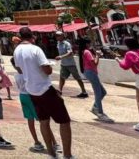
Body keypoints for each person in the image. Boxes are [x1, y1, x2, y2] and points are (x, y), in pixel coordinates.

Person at [14, 27, 72, 159]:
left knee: (43, 121)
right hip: (44, 88)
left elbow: (19, 68)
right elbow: (47, 70)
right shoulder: (35, 49)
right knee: (64, 121)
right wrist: (48, 66)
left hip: (31, 90)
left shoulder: (17, 50)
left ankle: (51, 153)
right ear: (32, 36)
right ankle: (67, 155)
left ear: (20, 36)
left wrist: (30, 70)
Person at [11, 57, 46, 153]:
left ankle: (36, 142)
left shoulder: (16, 75)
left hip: (22, 96)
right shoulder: (27, 74)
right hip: (31, 96)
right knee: (43, 120)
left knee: (30, 120)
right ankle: (53, 143)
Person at [78, 38, 113, 123]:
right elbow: (94, 63)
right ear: (87, 44)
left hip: (89, 72)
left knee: (103, 92)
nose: (90, 45)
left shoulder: (84, 52)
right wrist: (98, 55)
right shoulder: (87, 52)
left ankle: (95, 107)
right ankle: (100, 113)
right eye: (89, 43)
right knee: (98, 93)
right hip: (91, 72)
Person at [55, 31, 87, 98]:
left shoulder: (67, 44)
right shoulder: (58, 44)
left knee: (77, 78)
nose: (57, 37)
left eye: (58, 35)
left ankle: (84, 91)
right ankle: (60, 91)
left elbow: (70, 53)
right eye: (56, 36)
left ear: (62, 36)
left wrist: (61, 57)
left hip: (71, 64)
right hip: (63, 64)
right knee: (62, 77)